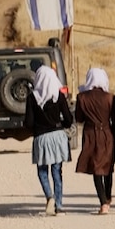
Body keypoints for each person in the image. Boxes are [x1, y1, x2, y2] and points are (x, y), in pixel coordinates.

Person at [25, 65, 73, 216]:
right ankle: (59, 205)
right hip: (58, 137)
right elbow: (69, 118)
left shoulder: (32, 97)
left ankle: (49, 197)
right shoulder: (58, 96)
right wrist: (61, 126)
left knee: (42, 171)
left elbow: (28, 122)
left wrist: (36, 131)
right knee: (57, 171)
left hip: (41, 138)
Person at [75, 68, 115, 215]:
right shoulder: (110, 98)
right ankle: (108, 196)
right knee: (108, 166)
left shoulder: (82, 97)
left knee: (96, 168)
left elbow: (79, 118)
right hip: (107, 133)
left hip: (90, 134)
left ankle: (103, 202)